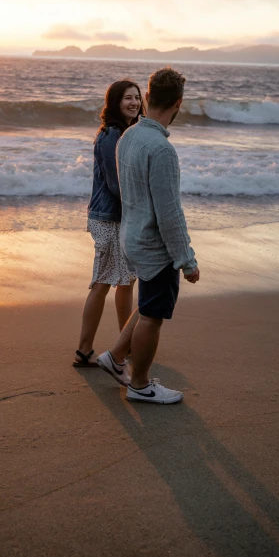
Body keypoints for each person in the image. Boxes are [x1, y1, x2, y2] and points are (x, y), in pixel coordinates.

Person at [97, 67, 199, 403]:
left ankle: (114, 356)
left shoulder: (129, 137)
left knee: (146, 304)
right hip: (154, 247)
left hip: (131, 237)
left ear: (146, 97)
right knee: (153, 317)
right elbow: (170, 214)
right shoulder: (162, 150)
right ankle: (140, 385)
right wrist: (186, 259)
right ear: (178, 104)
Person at [73, 80, 143, 368]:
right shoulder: (110, 135)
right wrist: (144, 206)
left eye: (137, 98)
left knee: (126, 282)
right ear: (115, 102)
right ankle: (83, 350)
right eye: (128, 98)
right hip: (107, 217)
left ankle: (123, 346)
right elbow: (116, 185)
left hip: (122, 217)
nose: (134, 103)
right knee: (102, 283)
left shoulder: (128, 133)